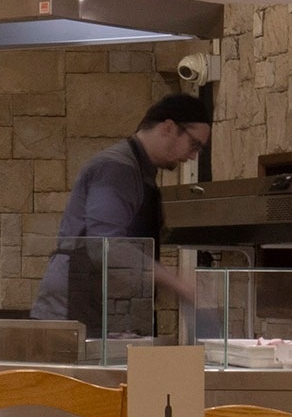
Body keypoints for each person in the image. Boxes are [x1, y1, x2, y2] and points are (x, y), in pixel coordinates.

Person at [31, 93, 212, 332]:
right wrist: (179, 284)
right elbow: (105, 245)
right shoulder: (117, 168)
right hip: (76, 307)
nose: (193, 156)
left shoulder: (139, 170)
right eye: (194, 144)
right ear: (168, 128)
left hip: (99, 307)